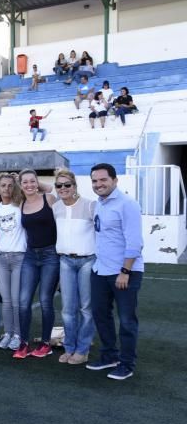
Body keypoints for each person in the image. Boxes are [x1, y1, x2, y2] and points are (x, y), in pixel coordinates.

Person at [87, 163, 143, 380]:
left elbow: (135, 242)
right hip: (100, 270)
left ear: (114, 180)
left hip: (124, 271)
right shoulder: (99, 204)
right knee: (101, 315)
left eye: (103, 180)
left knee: (127, 320)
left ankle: (127, 364)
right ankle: (109, 356)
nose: (98, 184)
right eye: (94, 181)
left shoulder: (127, 204)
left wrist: (125, 271)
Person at [13, 169, 60, 359]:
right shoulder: (21, 203)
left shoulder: (48, 199)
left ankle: (45, 344)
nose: (29, 185)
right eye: (25, 182)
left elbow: (52, 189)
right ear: (20, 185)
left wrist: (35, 184)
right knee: (23, 301)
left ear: (38, 182)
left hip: (51, 255)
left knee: (45, 301)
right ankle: (24, 343)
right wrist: (23, 182)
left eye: (33, 181)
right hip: (30, 256)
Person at [52, 168, 96, 365]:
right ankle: (70, 347)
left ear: (75, 186)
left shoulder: (90, 206)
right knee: (67, 309)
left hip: (88, 261)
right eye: (58, 186)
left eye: (67, 185)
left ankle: (83, 349)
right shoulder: (56, 208)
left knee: (86, 308)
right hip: (65, 262)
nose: (63, 189)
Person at [0, 173, 25, 351]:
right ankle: (8, 333)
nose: (6, 189)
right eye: (3, 185)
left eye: (10, 185)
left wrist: (19, 180)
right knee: (6, 300)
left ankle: (18, 335)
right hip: (1, 257)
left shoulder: (21, 205)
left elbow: (49, 190)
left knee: (16, 299)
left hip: (19, 257)